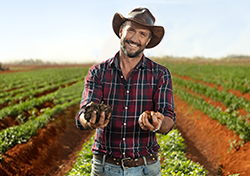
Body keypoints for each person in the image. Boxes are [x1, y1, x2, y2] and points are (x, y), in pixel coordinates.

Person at [76, 7, 175, 176]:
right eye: (131, 31)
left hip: (146, 167)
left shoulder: (160, 74)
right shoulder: (98, 72)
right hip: (105, 167)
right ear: (121, 31)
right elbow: (83, 115)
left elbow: (168, 119)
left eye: (142, 34)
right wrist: (91, 118)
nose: (135, 38)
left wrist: (158, 123)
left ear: (148, 41)